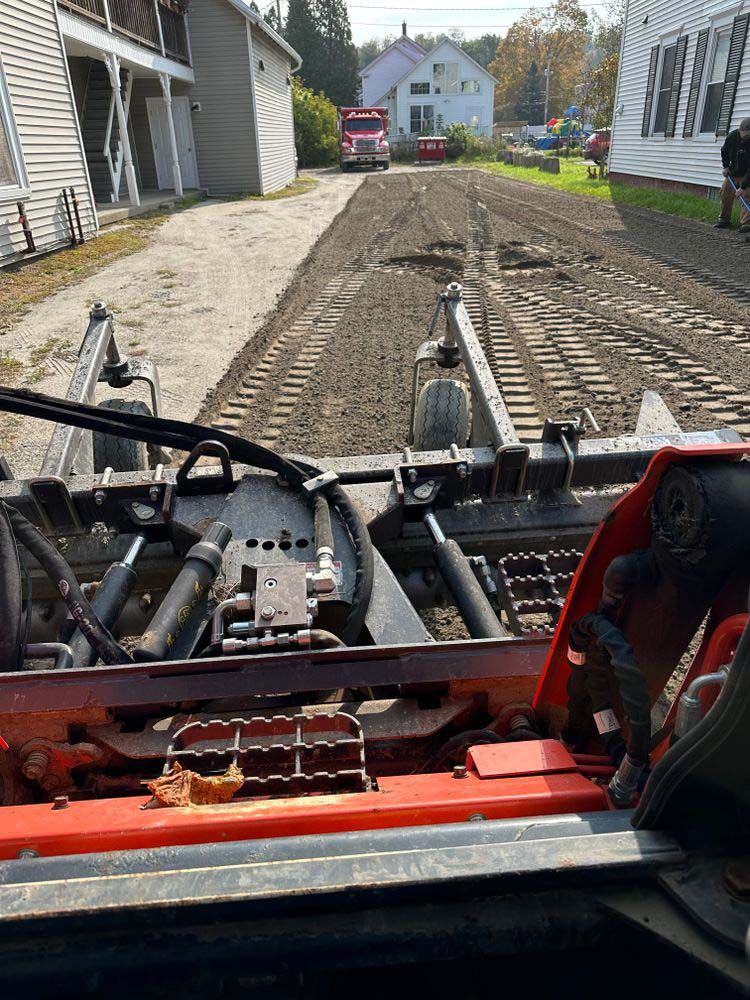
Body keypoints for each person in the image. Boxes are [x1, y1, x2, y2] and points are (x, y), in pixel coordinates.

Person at [715, 117, 750, 233]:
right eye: (743, 134)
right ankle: (724, 219)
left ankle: (746, 224)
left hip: (747, 175)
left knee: (748, 196)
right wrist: (725, 166)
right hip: (733, 172)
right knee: (725, 192)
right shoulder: (733, 136)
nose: (744, 137)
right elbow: (724, 151)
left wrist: (743, 187)